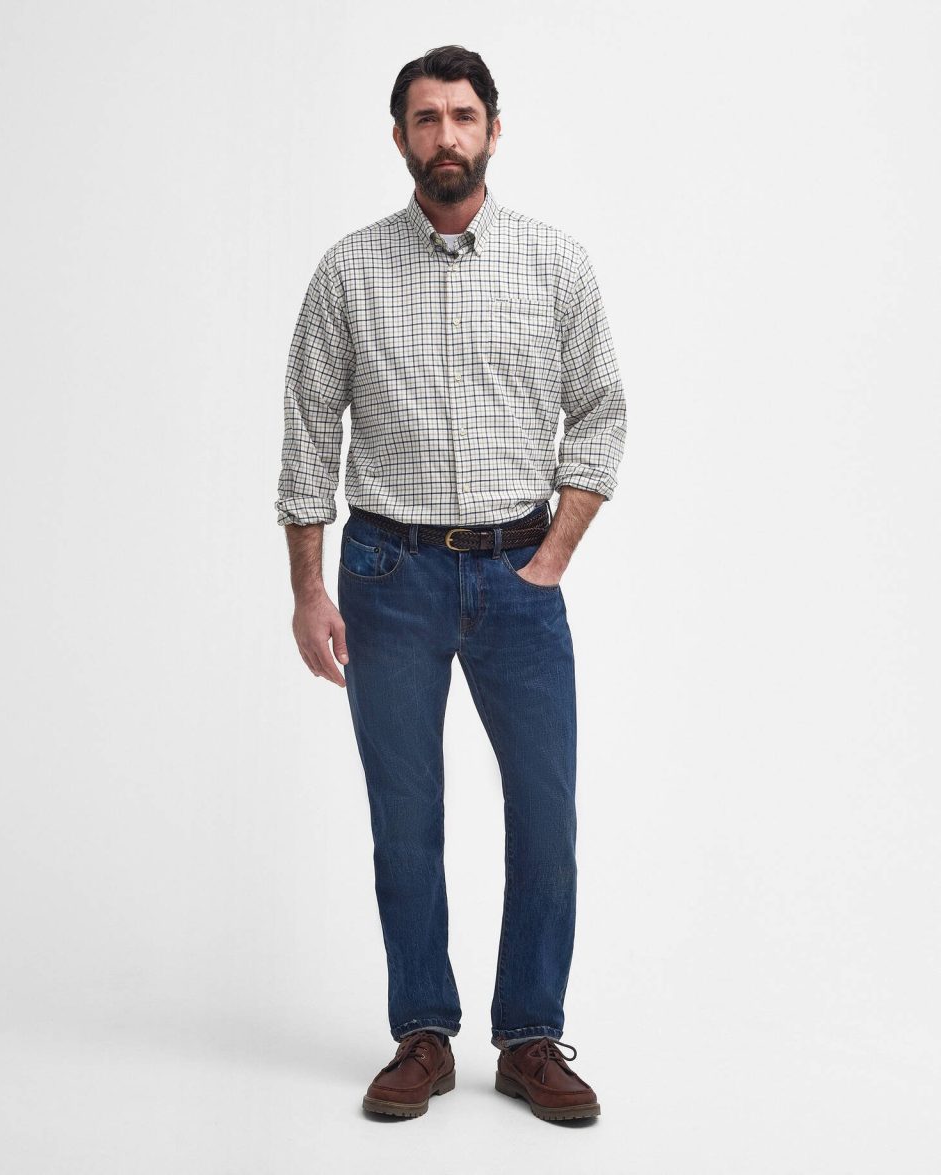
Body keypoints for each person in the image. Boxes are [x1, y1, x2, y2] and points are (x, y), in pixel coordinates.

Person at [275, 44, 626, 1122]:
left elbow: (601, 414)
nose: (446, 136)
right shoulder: (348, 271)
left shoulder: (555, 264)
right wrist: (309, 590)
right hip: (388, 572)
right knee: (405, 816)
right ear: (400, 138)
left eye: (463, 116)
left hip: (519, 573)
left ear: (493, 130)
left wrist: (553, 556)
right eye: (425, 119)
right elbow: (307, 435)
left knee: (547, 813)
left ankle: (530, 1036)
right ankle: (422, 1032)